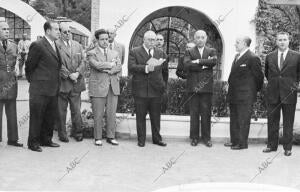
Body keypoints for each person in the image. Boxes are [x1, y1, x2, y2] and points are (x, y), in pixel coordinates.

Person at [25, 21, 61, 152]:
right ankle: (33, 142)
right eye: (56, 29)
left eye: (59, 29)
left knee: (49, 116)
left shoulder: (54, 45)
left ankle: (46, 139)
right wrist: (34, 82)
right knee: (37, 116)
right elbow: (29, 66)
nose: (59, 32)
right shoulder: (38, 45)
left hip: (53, 88)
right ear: (47, 31)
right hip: (39, 89)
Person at [128, 30, 168, 147]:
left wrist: (163, 85)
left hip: (156, 90)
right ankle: (141, 140)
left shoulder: (160, 53)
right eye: (150, 40)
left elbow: (164, 71)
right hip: (140, 89)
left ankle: (157, 139)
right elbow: (131, 67)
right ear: (144, 40)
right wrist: (146, 68)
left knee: (156, 116)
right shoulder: (134, 52)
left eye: (154, 40)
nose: (152, 42)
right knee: (140, 116)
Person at [263, 32, 300, 156]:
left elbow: (298, 75)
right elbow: (267, 74)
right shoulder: (269, 56)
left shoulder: (297, 56)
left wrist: (293, 87)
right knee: (272, 121)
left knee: (288, 122)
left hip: (289, 94)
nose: (282, 42)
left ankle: (287, 148)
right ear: (276, 41)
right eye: (280, 40)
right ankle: (271, 146)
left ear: (288, 41)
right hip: (273, 93)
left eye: (284, 39)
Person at [225, 36, 264, 150]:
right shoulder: (237, 56)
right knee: (234, 119)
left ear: (245, 44)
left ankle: (242, 144)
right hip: (234, 94)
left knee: (243, 119)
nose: (235, 44)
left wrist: (251, 91)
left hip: (245, 95)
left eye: (237, 42)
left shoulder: (252, 58)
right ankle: (234, 141)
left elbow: (259, 77)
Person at [87, 29, 122, 146]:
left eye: (107, 39)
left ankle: (111, 137)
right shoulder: (91, 53)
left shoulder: (115, 53)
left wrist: (109, 69)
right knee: (98, 114)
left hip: (113, 86)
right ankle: (98, 137)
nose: (105, 41)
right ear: (97, 40)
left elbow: (119, 67)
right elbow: (96, 65)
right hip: (98, 87)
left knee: (111, 113)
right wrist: (111, 64)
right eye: (102, 39)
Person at [184, 30, 217, 147]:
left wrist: (198, 61)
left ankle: (207, 138)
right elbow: (187, 65)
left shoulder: (211, 51)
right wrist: (204, 65)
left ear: (206, 38)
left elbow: (214, 62)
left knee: (206, 114)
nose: (200, 39)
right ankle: (194, 138)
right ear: (194, 38)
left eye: (202, 37)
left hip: (206, 88)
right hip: (193, 87)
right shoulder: (189, 51)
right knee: (194, 114)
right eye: (197, 37)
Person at [56, 23, 86, 142]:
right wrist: (69, 75)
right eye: (65, 32)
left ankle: (77, 132)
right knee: (61, 111)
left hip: (76, 84)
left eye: (69, 32)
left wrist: (77, 73)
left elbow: (84, 61)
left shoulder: (78, 45)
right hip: (63, 84)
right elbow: (58, 63)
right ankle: (62, 134)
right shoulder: (56, 45)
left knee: (76, 110)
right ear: (60, 33)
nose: (68, 34)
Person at [0, 21, 23, 147]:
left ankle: (13, 139)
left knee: (12, 111)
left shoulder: (14, 46)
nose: (7, 31)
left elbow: (18, 58)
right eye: (4, 29)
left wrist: (18, 67)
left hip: (11, 83)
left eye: (8, 29)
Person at [155, 33, 169, 113]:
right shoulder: (149, 53)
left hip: (161, 84)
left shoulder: (165, 56)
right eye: (157, 39)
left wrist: (164, 84)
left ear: (163, 42)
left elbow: (165, 72)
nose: (159, 42)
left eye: (161, 40)